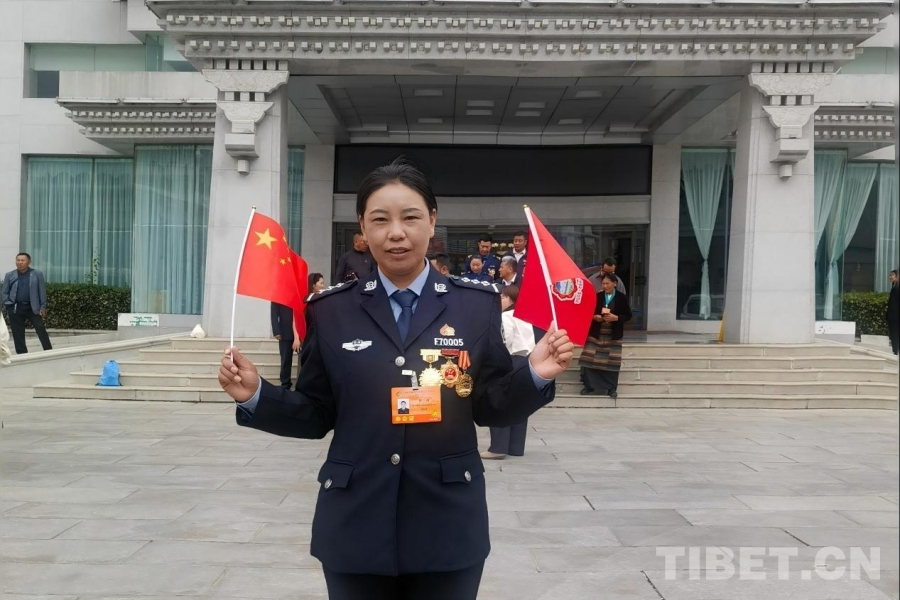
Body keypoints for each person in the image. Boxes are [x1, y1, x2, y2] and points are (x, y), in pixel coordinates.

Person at [218, 158, 574, 600]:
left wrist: (535, 374)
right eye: (380, 220)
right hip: (355, 523)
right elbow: (316, 413)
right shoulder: (330, 311)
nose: (396, 233)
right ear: (363, 229)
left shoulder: (474, 305)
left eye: (410, 217)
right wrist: (257, 395)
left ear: (432, 221)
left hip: (447, 522)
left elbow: (490, 405)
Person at [482, 285, 535, 460]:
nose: (500, 300)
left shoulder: (505, 316)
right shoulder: (524, 316)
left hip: (509, 359)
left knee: (499, 402)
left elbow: (504, 341)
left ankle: (498, 447)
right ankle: (515, 447)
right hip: (526, 360)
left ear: (512, 299)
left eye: (503, 297)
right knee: (519, 404)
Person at [579, 272, 631, 399]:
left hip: (613, 334)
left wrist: (616, 318)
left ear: (615, 284)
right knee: (589, 359)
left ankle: (611, 389)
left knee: (612, 362)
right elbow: (587, 311)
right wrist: (594, 317)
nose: (605, 286)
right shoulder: (598, 296)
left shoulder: (621, 298)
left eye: (608, 283)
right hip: (596, 333)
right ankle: (589, 386)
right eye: (603, 283)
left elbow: (628, 315)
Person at [1, 253, 52, 354]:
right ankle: (22, 354)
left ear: (29, 262)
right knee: (17, 332)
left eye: (22, 260)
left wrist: (43, 307)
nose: (20, 262)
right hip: (16, 307)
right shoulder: (10, 275)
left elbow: (41, 291)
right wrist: (8, 304)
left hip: (33, 307)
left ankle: (48, 350)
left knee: (40, 329)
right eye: (18, 260)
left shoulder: (37, 274)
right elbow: (4, 292)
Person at [888, 269, 899, 355]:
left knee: (895, 334)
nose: (890, 277)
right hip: (893, 317)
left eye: (892, 275)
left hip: (895, 317)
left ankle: (896, 351)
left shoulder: (897, 288)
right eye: (890, 275)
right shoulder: (894, 286)